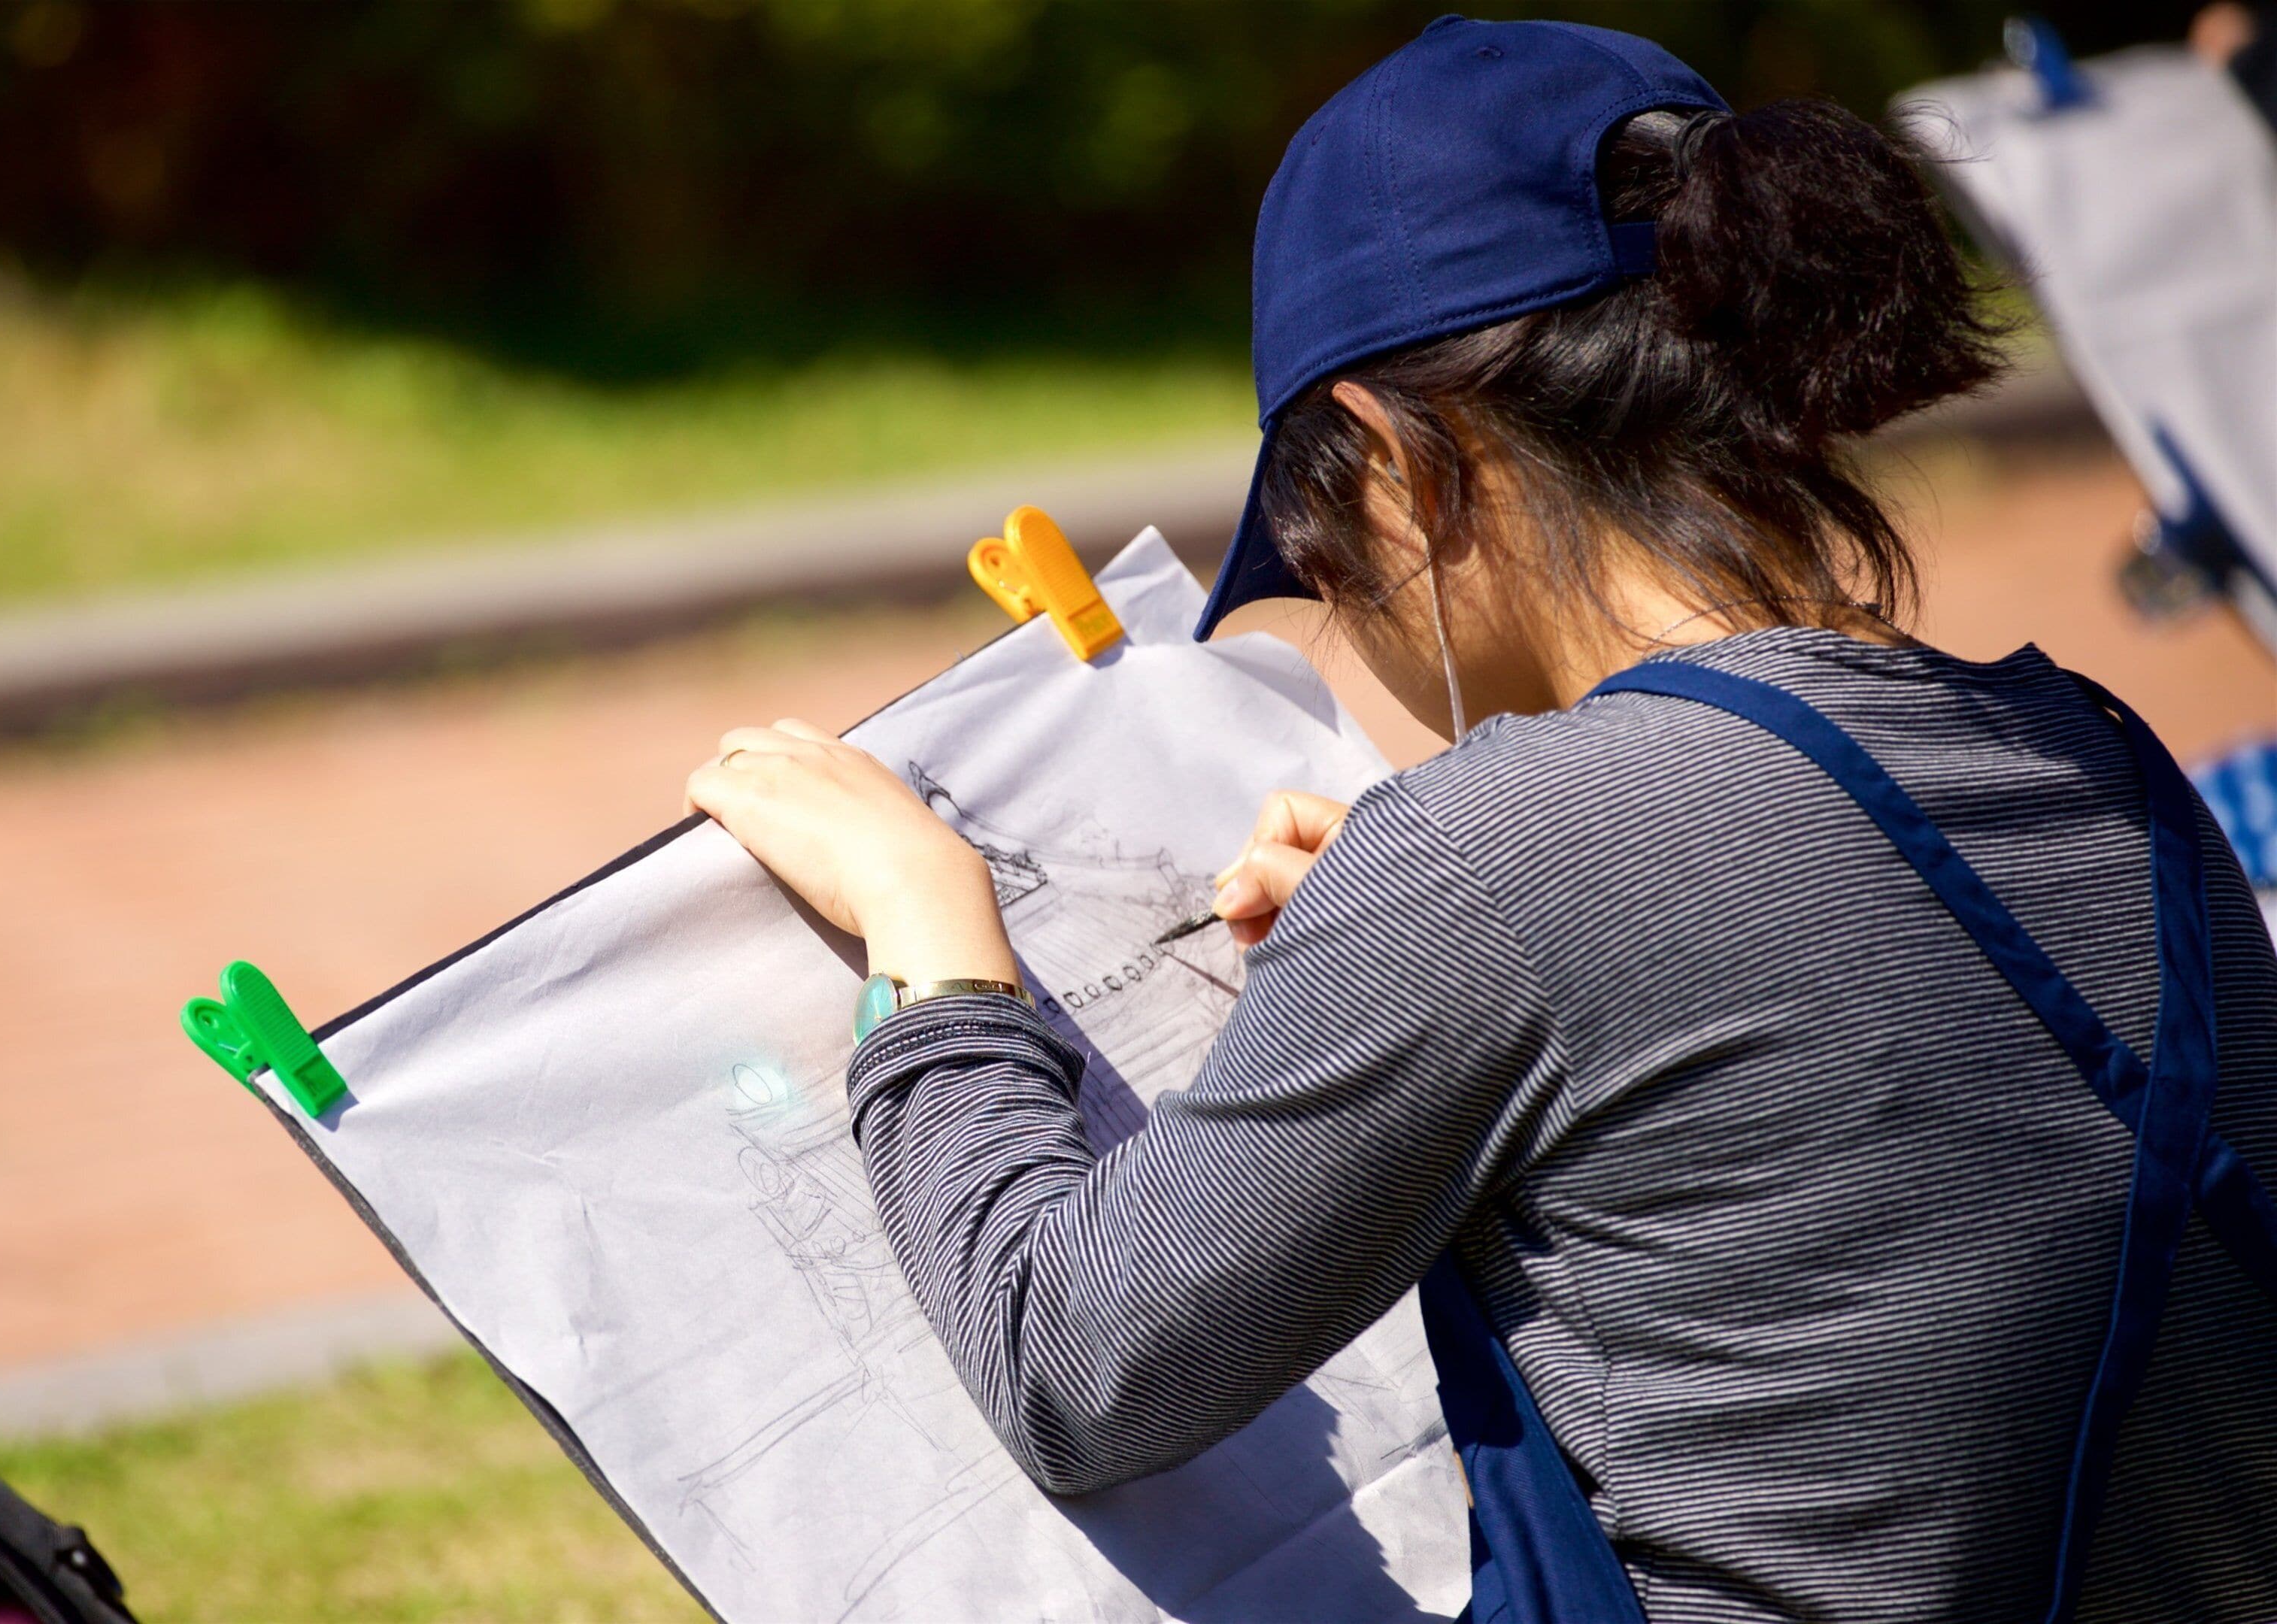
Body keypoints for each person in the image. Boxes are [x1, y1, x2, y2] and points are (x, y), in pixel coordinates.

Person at [681, 17, 2277, 1623]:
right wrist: (1439, 930)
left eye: (1316, 556)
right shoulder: (2111, 757)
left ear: (1394, 462)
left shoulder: (1499, 855)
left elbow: (1075, 1366)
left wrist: (933, 944)